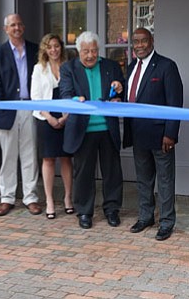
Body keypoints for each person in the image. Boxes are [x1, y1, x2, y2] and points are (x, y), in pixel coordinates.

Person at [59, 31, 125, 229]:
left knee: (112, 172)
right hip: (83, 129)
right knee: (84, 174)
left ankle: (112, 210)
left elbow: (122, 91)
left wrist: (119, 89)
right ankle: (85, 212)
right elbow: (65, 93)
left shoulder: (110, 66)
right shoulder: (68, 68)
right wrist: (74, 100)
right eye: (86, 51)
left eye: (94, 51)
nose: (90, 56)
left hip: (107, 128)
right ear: (79, 51)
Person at [123, 28, 184, 241]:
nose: (139, 45)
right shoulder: (131, 68)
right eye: (136, 42)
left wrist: (171, 134)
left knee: (165, 181)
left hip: (161, 136)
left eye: (143, 41)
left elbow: (175, 103)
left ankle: (166, 222)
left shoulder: (167, 66)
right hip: (138, 134)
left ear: (152, 41)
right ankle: (145, 216)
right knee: (143, 180)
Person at [0, 14, 42, 217]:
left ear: (24, 27)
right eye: (12, 25)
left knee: (29, 155)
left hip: (30, 107)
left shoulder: (35, 49)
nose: (16, 27)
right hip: (7, 109)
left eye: (19, 24)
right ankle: (7, 198)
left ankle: (30, 197)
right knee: (8, 156)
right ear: (6, 29)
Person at [31, 34, 74, 220]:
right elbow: (35, 97)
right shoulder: (38, 69)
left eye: (56, 46)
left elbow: (74, 92)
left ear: (61, 48)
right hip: (45, 118)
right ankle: (49, 200)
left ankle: (67, 198)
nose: (54, 50)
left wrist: (66, 116)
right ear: (45, 50)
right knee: (48, 159)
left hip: (66, 116)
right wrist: (49, 117)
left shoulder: (69, 66)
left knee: (66, 158)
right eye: (50, 47)